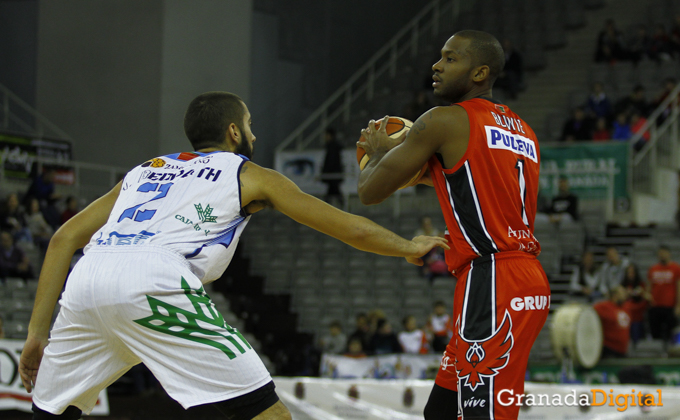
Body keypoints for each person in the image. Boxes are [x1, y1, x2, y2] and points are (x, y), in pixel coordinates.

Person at [19, 92, 448, 420]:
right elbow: (346, 227)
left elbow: (62, 239)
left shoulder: (143, 169)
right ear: (233, 132)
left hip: (88, 278)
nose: (254, 135)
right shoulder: (249, 173)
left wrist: (38, 333)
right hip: (154, 280)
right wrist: (408, 246)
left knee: (54, 412)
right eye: (250, 125)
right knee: (267, 412)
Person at [357, 30, 549, 420]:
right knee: (442, 411)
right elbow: (466, 182)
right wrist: (414, 159)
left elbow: (369, 191)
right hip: (521, 276)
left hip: (493, 279)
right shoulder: (523, 130)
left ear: (479, 72)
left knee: (484, 416)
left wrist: (378, 153)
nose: (436, 65)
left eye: (450, 58)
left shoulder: (444, 120)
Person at [647, 245, 680, 343]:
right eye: (660, 253)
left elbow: (679, 287)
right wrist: (648, 296)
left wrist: (678, 305)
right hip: (655, 306)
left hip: (669, 306)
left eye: (664, 253)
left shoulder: (676, 268)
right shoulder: (653, 269)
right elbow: (649, 286)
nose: (662, 255)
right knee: (655, 332)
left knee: (671, 332)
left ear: (669, 254)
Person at [593, 286, 631, 358]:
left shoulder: (625, 307)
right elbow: (588, 312)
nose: (625, 294)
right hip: (609, 349)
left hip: (622, 350)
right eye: (622, 292)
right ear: (615, 295)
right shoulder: (603, 306)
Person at [621, 264, 649, 346]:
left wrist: (642, 293)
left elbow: (647, 301)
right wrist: (626, 294)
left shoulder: (641, 285)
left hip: (637, 316)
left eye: (632, 272)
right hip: (626, 317)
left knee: (637, 332)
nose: (630, 275)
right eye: (628, 273)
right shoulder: (623, 286)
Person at [320, 128, 344, 206]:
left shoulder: (331, 147)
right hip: (334, 173)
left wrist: (326, 172)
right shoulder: (333, 147)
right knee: (334, 192)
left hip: (332, 174)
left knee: (332, 192)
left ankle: (326, 209)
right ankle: (342, 207)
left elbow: (331, 161)